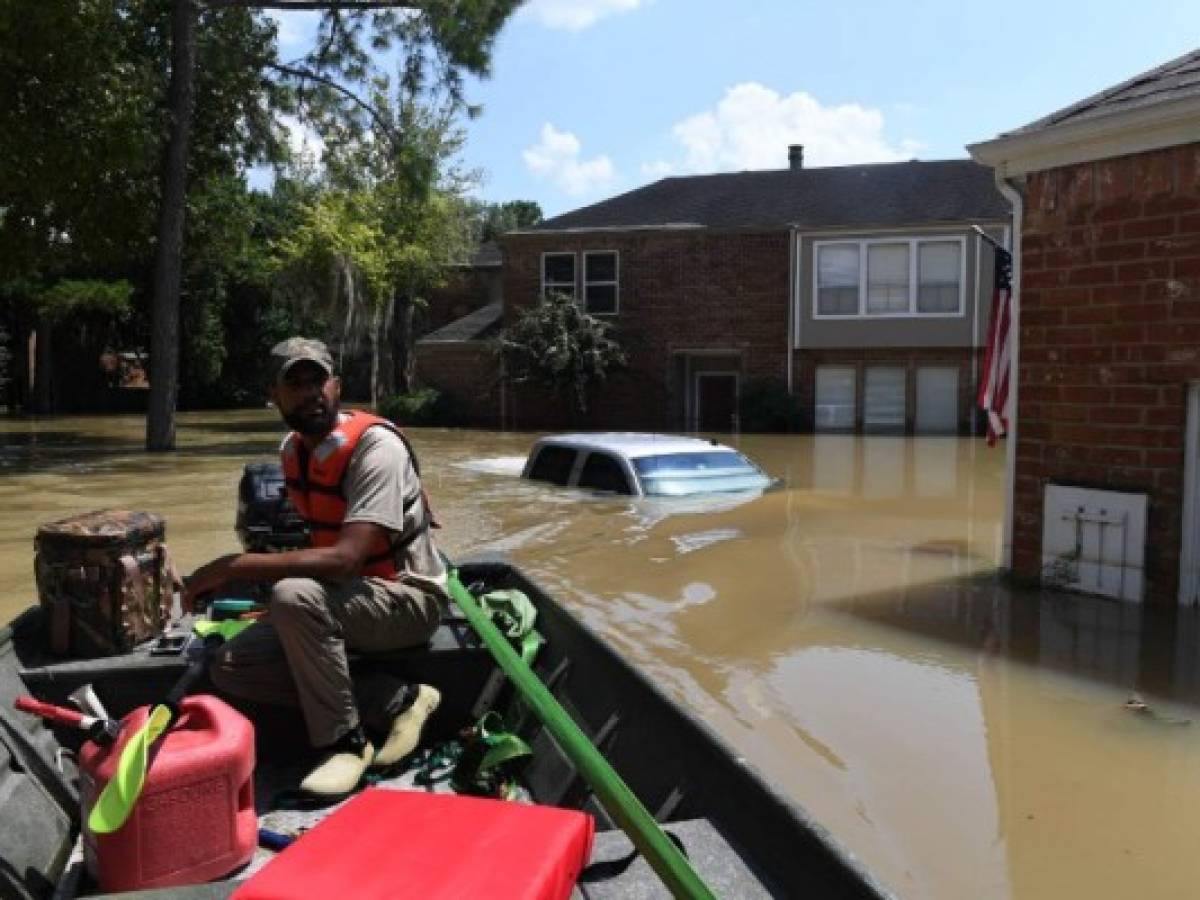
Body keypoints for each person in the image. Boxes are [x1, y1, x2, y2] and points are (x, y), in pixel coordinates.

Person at [184, 337, 445, 797]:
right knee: (230, 664)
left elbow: (345, 558)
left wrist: (234, 566)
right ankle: (398, 700)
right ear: (275, 396)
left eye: (318, 381)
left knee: (293, 595)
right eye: (295, 383)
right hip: (352, 598)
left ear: (337, 386)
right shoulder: (295, 449)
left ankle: (345, 742)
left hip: (408, 601)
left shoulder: (375, 448)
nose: (310, 393)